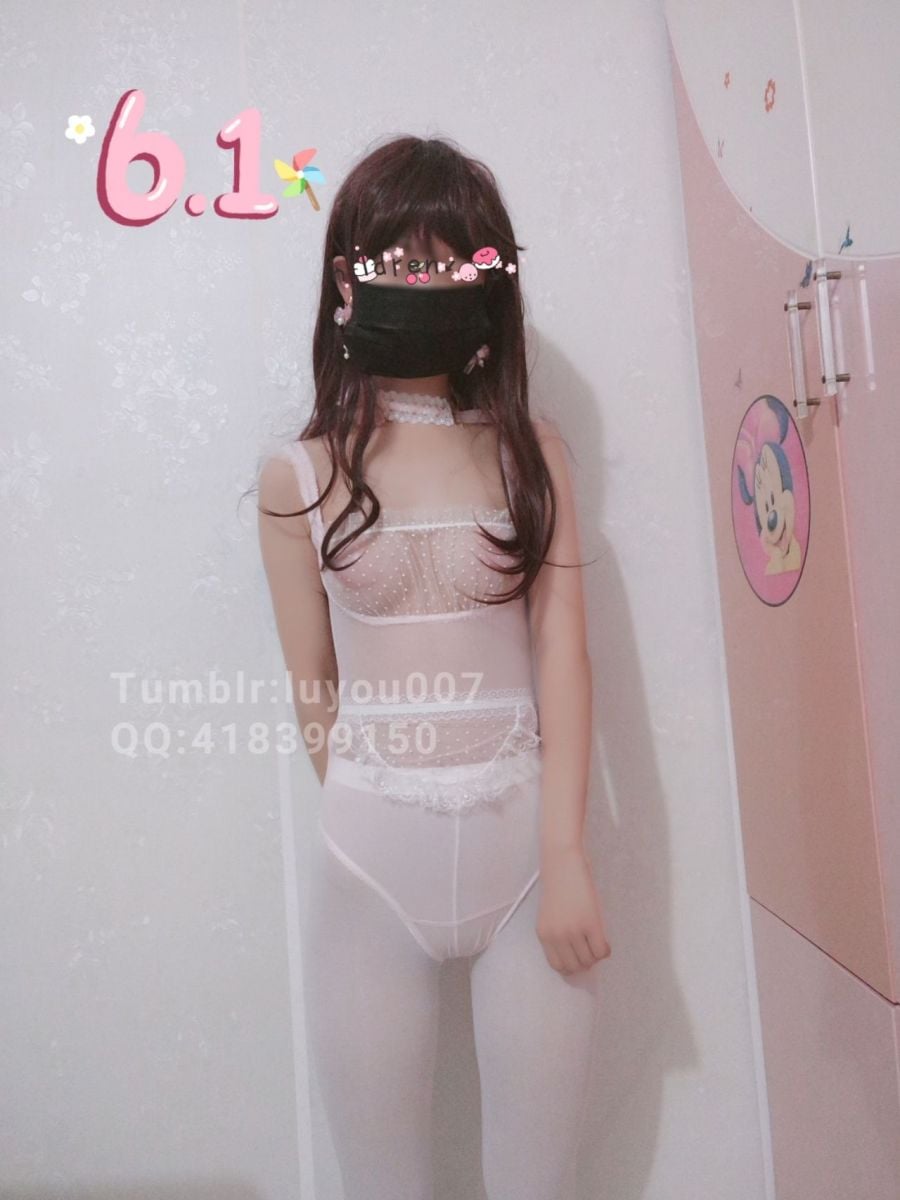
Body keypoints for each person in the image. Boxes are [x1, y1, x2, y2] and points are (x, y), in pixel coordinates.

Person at [256, 134, 611, 1200]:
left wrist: (566, 852)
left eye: (455, 261)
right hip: (371, 865)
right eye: (402, 260)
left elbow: (563, 652)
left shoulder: (532, 453)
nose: (430, 282)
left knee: (541, 1184)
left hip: (530, 860)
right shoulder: (297, 477)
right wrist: (376, 799)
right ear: (346, 280)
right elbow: (312, 683)